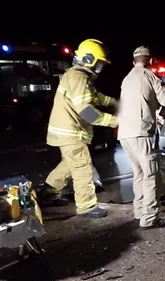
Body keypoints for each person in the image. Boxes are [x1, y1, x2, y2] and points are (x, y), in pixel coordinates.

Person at [39, 39, 118, 218]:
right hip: (71, 133)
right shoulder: (78, 77)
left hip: (65, 132)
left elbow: (97, 97)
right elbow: (86, 112)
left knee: (68, 164)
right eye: (99, 63)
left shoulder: (80, 77)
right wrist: (114, 121)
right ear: (89, 59)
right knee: (82, 166)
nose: (100, 68)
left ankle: (48, 194)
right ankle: (86, 206)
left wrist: (115, 103)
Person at [117, 46, 165, 229]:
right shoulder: (150, 76)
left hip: (125, 135)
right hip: (142, 134)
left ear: (134, 61)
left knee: (139, 175)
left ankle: (139, 211)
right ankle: (149, 219)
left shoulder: (126, 79)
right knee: (151, 176)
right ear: (150, 61)